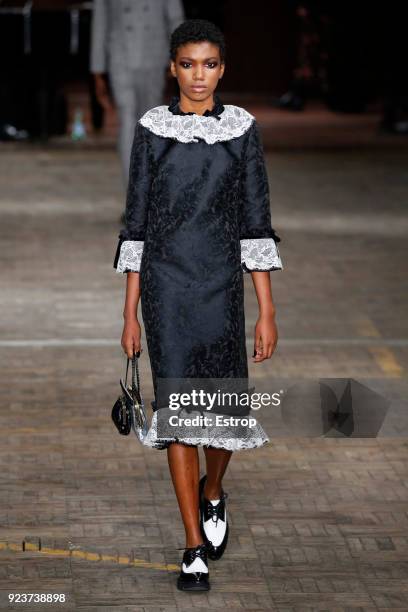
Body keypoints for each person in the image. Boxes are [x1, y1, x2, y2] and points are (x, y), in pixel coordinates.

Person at [113, 19, 284, 592]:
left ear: (223, 69)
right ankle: (192, 545)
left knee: (223, 413)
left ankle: (214, 493)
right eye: (188, 64)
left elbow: (255, 221)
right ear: (173, 68)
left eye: (209, 64)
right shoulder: (152, 130)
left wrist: (266, 310)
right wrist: (130, 312)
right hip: (165, 290)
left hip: (219, 288)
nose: (198, 76)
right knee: (182, 414)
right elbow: (135, 224)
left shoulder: (242, 131)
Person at [90, 0, 184, 187]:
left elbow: (175, 17)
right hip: (119, 53)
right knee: (127, 120)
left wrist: (179, 55)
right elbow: (100, 20)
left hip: (154, 54)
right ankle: (133, 197)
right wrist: (97, 68)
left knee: (150, 123)